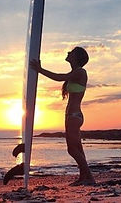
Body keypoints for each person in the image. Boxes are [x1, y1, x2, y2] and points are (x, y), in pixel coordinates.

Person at [30, 47, 95, 186]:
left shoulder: (80, 72)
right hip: (72, 116)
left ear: (76, 56)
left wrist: (40, 70)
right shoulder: (75, 73)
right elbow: (63, 78)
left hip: (74, 116)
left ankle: (89, 177)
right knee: (77, 148)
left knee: (72, 149)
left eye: (71, 52)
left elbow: (59, 77)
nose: (68, 53)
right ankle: (84, 177)